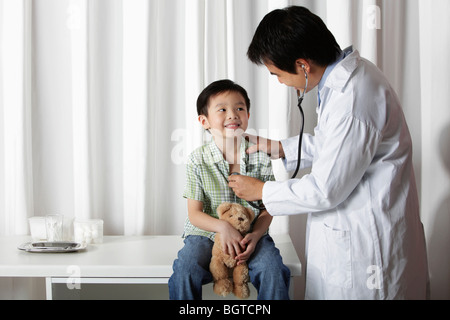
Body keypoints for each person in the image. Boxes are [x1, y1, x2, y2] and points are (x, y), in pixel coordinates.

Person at [229, 6, 429, 300]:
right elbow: (334, 145)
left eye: (277, 74)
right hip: (356, 234)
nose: (280, 82)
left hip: (368, 251)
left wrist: (262, 190)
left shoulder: (352, 97)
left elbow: (326, 189)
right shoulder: (345, 80)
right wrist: (281, 147)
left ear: (302, 65)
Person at [169, 79, 290, 300]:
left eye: (239, 108)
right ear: (204, 121)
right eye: (222, 109)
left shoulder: (261, 157)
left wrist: (255, 235)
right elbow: (194, 214)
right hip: (206, 234)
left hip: (250, 235)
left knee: (273, 269)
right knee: (186, 269)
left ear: (248, 116)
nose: (233, 114)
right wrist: (223, 228)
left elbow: (268, 207)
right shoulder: (197, 159)